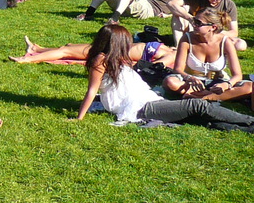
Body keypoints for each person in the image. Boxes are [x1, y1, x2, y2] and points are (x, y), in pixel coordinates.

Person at [74, 23, 254, 128]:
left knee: (202, 119)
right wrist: (78, 118)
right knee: (198, 106)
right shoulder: (101, 60)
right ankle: (249, 121)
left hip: (149, 101)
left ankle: (247, 128)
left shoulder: (117, 59)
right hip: (141, 108)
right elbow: (92, 90)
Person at [162, 10, 245, 97]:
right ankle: (213, 96)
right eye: (194, 21)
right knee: (170, 82)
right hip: (191, 82)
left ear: (213, 27)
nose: (193, 25)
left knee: (248, 87)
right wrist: (189, 78)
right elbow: (178, 69)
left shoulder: (225, 42)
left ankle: (201, 95)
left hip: (217, 82)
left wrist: (227, 84)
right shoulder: (187, 38)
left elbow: (237, 75)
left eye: (198, 23)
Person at [167, 0, 246, 50]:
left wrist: (214, 32)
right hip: (195, 28)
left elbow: (234, 32)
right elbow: (171, 4)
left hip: (215, 33)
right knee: (178, 13)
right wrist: (190, 18)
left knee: (241, 44)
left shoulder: (229, 5)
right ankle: (179, 46)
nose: (213, 2)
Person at [9, 34, 175, 65]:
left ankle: (28, 59)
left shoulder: (170, 59)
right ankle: (38, 49)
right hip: (115, 47)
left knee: (66, 52)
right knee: (68, 47)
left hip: (111, 52)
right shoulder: (174, 51)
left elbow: (155, 68)